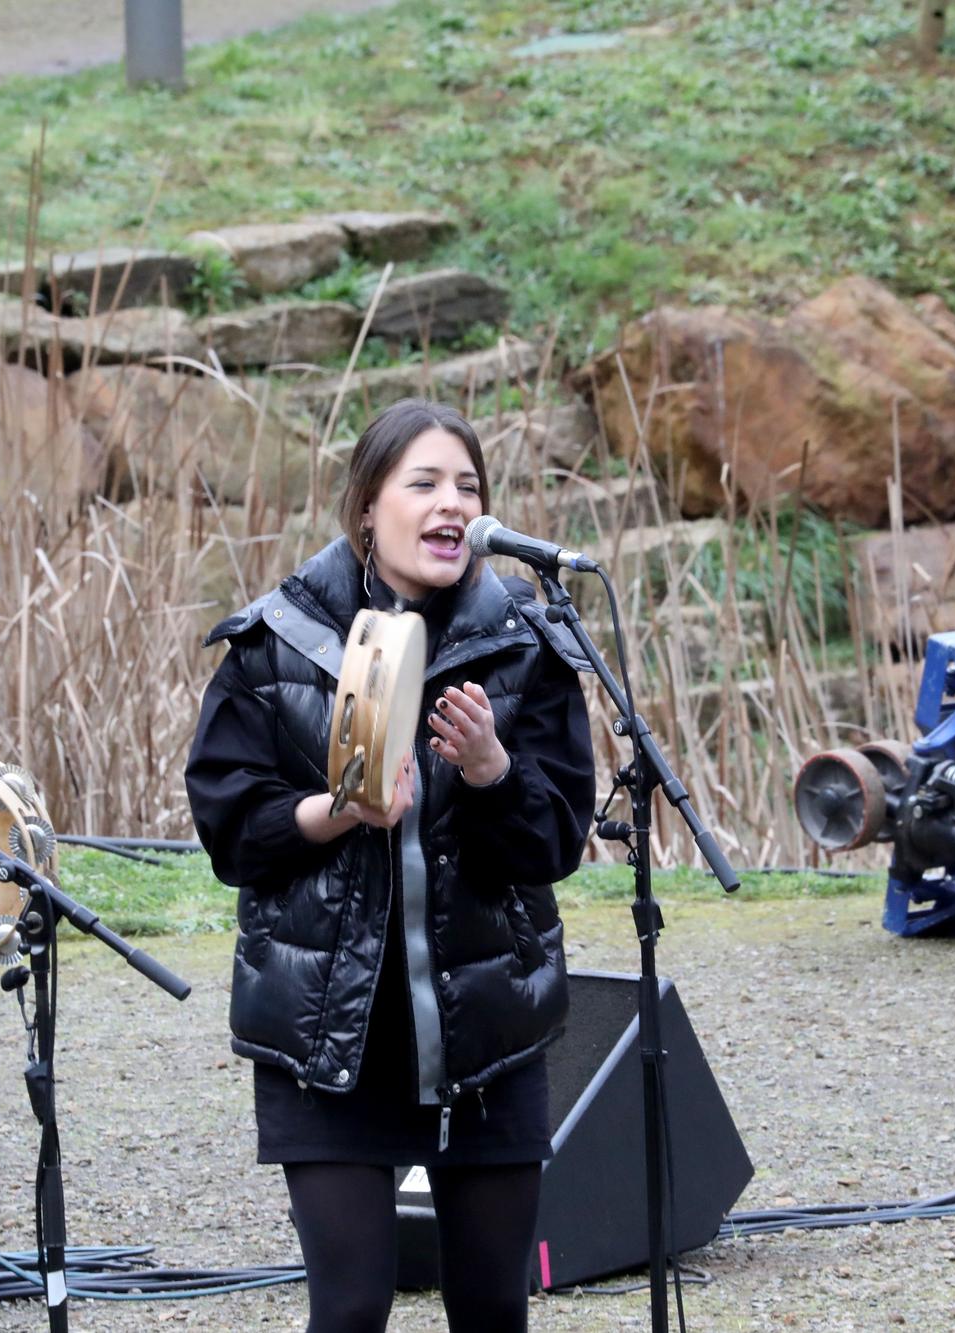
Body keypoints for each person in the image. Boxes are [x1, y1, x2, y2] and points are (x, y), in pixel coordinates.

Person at [184, 398, 597, 1332]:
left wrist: (493, 773)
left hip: (487, 1027)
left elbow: (554, 844)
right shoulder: (274, 640)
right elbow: (230, 827)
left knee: (493, 1306)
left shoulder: (527, 644)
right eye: (425, 483)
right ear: (367, 507)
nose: (453, 503)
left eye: (470, 486)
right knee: (353, 1308)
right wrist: (341, 811)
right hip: (329, 1035)